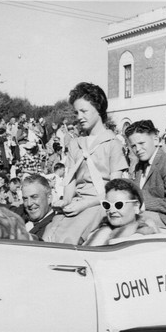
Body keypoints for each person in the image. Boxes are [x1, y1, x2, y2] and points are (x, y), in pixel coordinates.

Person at [43, 83, 128, 244]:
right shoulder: (76, 144)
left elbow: (113, 188)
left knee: (68, 238)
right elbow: (70, 180)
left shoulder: (112, 143)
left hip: (99, 204)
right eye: (76, 112)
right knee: (49, 233)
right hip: (77, 203)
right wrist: (66, 201)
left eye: (84, 111)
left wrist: (85, 204)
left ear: (98, 109)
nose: (79, 117)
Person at [83, 178, 159, 246]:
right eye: (107, 205)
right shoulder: (97, 231)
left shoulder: (141, 239)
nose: (112, 211)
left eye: (118, 205)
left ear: (136, 206)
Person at [21, 174, 57, 240]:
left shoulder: (55, 227)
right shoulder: (22, 218)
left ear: (49, 198)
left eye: (34, 197)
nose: (29, 203)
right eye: (25, 199)